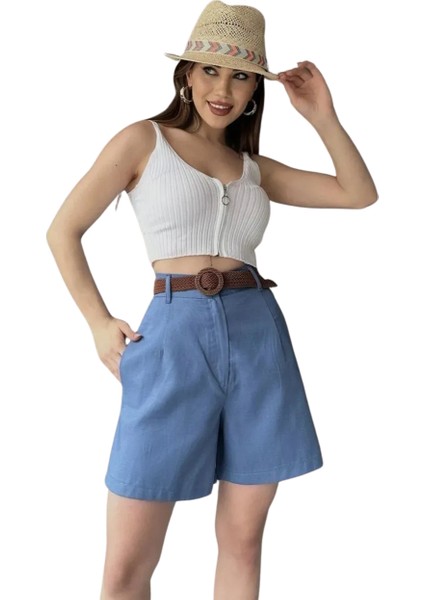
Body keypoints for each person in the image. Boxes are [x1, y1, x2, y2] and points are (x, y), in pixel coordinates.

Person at [46, 1, 378, 598]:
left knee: (243, 542)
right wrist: (97, 322)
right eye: (210, 70)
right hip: (171, 340)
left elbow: (358, 193)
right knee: (125, 569)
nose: (222, 89)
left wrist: (322, 117)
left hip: (258, 340)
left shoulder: (254, 169)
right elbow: (62, 230)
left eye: (241, 76)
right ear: (187, 74)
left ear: (254, 90)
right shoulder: (143, 141)